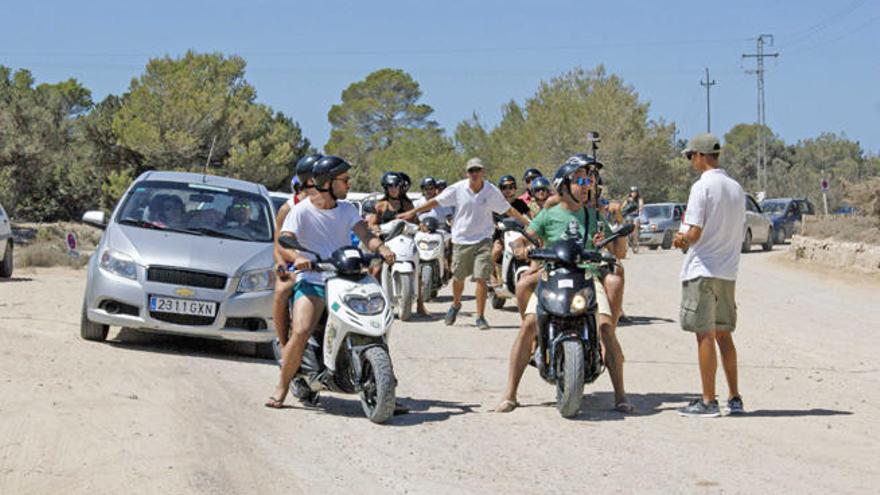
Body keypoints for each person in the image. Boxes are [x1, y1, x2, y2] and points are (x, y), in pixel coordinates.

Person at [495, 159, 629, 413]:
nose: (585, 185)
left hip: (587, 277)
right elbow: (524, 239)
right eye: (579, 180)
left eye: (587, 181)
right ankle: (510, 393)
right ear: (564, 186)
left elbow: (619, 250)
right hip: (552, 276)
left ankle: (621, 395)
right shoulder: (548, 215)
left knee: (605, 328)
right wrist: (521, 247)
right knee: (529, 325)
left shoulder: (594, 216)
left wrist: (615, 235)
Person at [266, 156, 396, 409]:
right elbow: (285, 239)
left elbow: (364, 234)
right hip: (313, 278)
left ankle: (387, 388)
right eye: (344, 180)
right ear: (327, 183)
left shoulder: (347, 209)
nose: (348, 184)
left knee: (375, 324)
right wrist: (299, 257)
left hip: (345, 277)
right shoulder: (300, 211)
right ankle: (282, 387)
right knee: (302, 329)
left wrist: (381, 247)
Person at [398, 158, 530, 330]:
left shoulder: (490, 190)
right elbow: (436, 201)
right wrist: (413, 212)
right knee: (459, 278)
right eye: (471, 171)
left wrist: (528, 223)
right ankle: (456, 304)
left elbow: (508, 209)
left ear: (483, 172)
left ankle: (480, 317)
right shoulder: (458, 188)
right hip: (461, 239)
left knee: (481, 278)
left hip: (483, 239)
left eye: (477, 170)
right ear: (467, 173)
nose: (474, 174)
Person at [672, 133, 746, 418]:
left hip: (702, 270)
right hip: (728, 272)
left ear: (701, 156)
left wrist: (680, 240)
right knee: (724, 335)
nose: (691, 161)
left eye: (691, 156)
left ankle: (708, 401)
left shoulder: (701, 187)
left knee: (704, 335)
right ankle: (734, 397)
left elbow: (694, 232)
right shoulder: (736, 188)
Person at [272, 154, 322, 349]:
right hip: (296, 262)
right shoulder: (288, 208)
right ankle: (284, 344)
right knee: (283, 289)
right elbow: (278, 243)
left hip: (325, 263)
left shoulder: (330, 204)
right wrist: (281, 263)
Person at [491, 175, 531, 284]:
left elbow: (531, 216)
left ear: (515, 188)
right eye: (504, 187)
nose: (508, 190)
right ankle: (491, 273)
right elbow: (490, 218)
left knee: (532, 251)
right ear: (500, 189)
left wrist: (534, 223)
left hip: (520, 235)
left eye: (511, 186)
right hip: (501, 235)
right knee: (497, 250)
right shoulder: (496, 204)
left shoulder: (521, 203)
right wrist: (495, 225)